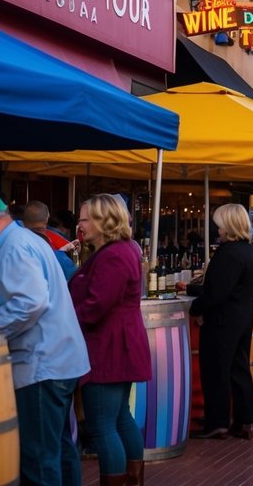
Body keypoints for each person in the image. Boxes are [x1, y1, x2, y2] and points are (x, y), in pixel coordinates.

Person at [0, 191, 89, 486]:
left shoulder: (14, 247)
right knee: (60, 450)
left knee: (39, 459)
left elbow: (30, 303)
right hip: (58, 360)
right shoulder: (26, 241)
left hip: (40, 364)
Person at [68, 194, 151, 486]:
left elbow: (96, 306)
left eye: (85, 218)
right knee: (119, 418)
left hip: (109, 347)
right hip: (119, 343)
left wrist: (64, 320)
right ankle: (132, 479)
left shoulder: (114, 254)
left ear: (104, 222)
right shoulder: (122, 249)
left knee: (103, 425)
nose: (79, 224)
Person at [183, 204, 253, 439]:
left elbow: (216, 293)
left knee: (216, 369)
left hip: (223, 319)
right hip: (242, 316)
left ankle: (217, 422)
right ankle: (244, 420)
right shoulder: (247, 250)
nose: (217, 228)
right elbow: (228, 286)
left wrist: (195, 307)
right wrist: (195, 289)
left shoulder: (228, 253)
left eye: (219, 223)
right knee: (239, 368)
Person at [23, 201, 77, 281]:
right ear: (47, 218)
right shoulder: (53, 242)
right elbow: (74, 277)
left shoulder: (14, 240)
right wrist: (60, 254)